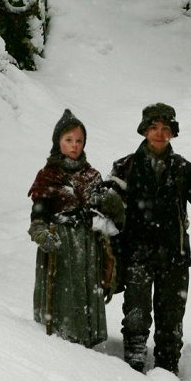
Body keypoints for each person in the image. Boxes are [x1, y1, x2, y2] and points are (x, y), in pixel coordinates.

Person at [110, 102, 191, 376]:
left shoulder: (184, 169)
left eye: (165, 129)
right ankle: (131, 374)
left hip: (175, 257)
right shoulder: (125, 167)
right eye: (154, 128)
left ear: (173, 133)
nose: (159, 134)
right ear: (144, 131)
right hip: (137, 255)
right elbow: (106, 209)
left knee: (170, 323)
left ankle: (168, 373)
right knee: (136, 318)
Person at [28, 108, 125, 347]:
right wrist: (42, 235)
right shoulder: (48, 176)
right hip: (60, 247)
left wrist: (109, 205)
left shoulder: (92, 175)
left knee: (85, 296)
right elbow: (37, 218)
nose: (74, 145)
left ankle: (88, 346)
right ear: (57, 141)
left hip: (88, 248)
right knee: (64, 299)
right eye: (68, 140)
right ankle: (60, 346)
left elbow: (110, 217)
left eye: (79, 140)